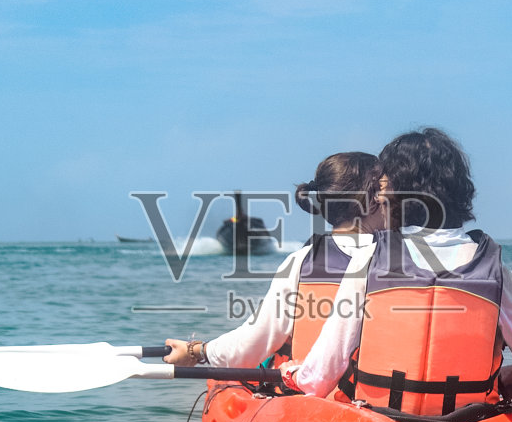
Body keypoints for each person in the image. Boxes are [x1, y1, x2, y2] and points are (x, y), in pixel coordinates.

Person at [286, 127, 512, 412]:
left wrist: (295, 375)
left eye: (383, 185)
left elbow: (321, 376)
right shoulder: (495, 271)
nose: (378, 196)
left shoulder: (368, 259)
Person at [162, 152, 381, 368]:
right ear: (372, 201)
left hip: (315, 394)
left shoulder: (301, 262)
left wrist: (196, 352)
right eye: (386, 192)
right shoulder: (402, 261)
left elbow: (252, 344)